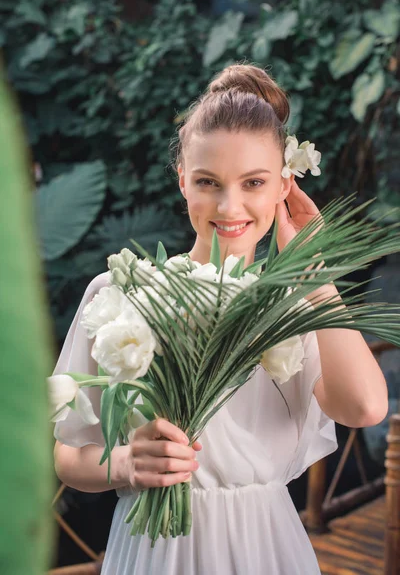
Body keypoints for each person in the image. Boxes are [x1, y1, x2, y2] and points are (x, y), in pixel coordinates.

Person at [53, 64, 388, 574]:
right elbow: (68, 454)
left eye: (254, 182)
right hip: (154, 550)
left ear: (284, 186)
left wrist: (316, 274)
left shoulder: (293, 307)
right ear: (183, 180)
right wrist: (123, 463)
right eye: (208, 182)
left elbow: (363, 408)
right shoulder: (122, 293)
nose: (229, 205)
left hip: (265, 547)